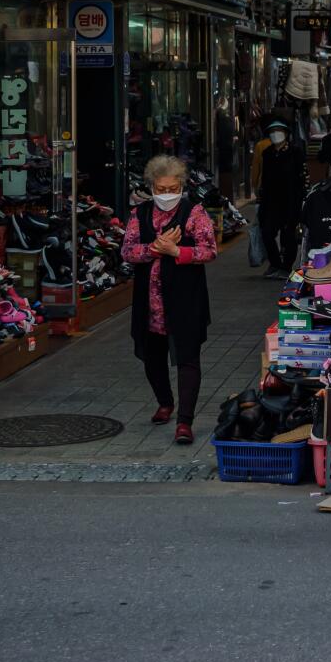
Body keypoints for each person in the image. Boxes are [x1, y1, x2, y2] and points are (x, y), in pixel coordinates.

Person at [122, 155, 216, 445]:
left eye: (172, 188)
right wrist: (156, 248)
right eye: (160, 189)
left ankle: (185, 422)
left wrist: (178, 252)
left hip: (185, 298)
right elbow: (127, 251)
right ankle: (165, 401)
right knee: (152, 356)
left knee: (187, 358)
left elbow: (209, 250)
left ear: (181, 186)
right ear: (151, 187)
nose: (166, 194)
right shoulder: (139, 214)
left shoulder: (194, 212)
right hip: (149, 301)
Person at [256, 118, 307, 280]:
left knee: (289, 234)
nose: (276, 134)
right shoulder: (267, 153)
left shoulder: (296, 152)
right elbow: (264, 178)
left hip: (291, 200)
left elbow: (302, 177)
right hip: (270, 201)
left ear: (286, 133)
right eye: (272, 131)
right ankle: (275, 263)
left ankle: (286, 267)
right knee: (267, 232)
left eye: (279, 130)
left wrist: (301, 198)